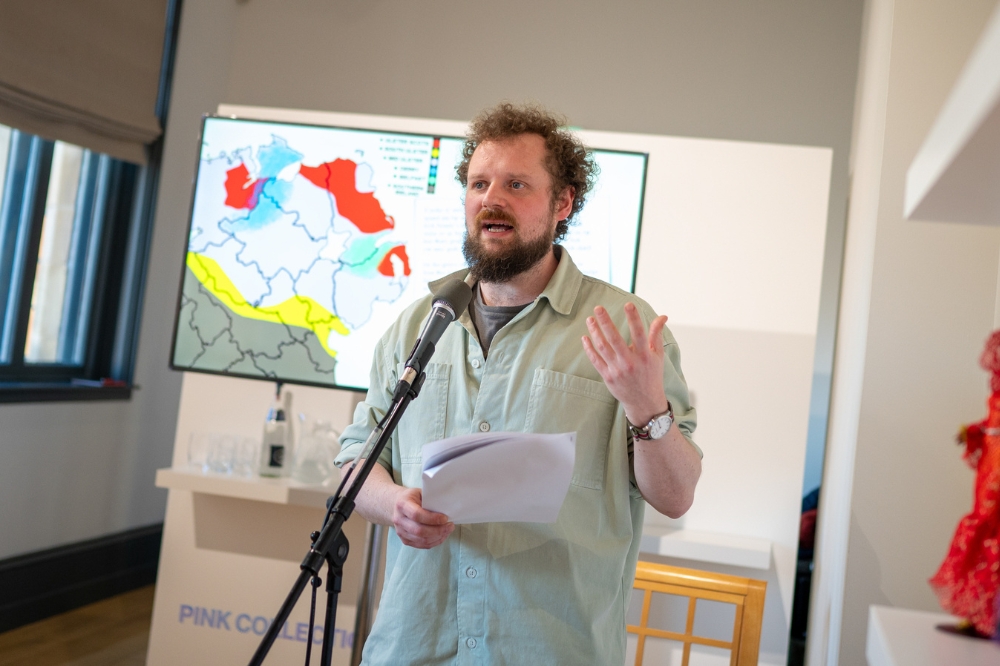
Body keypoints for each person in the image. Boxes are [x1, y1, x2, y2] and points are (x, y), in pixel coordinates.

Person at [335, 102, 702, 664]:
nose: (491, 198)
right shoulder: (416, 325)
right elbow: (354, 461)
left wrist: (646, 406)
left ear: (562, 203)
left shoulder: (621, 327)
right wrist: (392, 503)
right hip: (413, 647)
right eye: (479, 183)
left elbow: (675, 496)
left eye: (516, 184)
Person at [929, 329, 1000, 639]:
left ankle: (984, 617)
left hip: (996, 467)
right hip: (990, 464)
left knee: (987, 527)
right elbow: (992, 424)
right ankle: (977, 614)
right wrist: (975, 431)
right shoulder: (996, 393)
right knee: (983, 527)